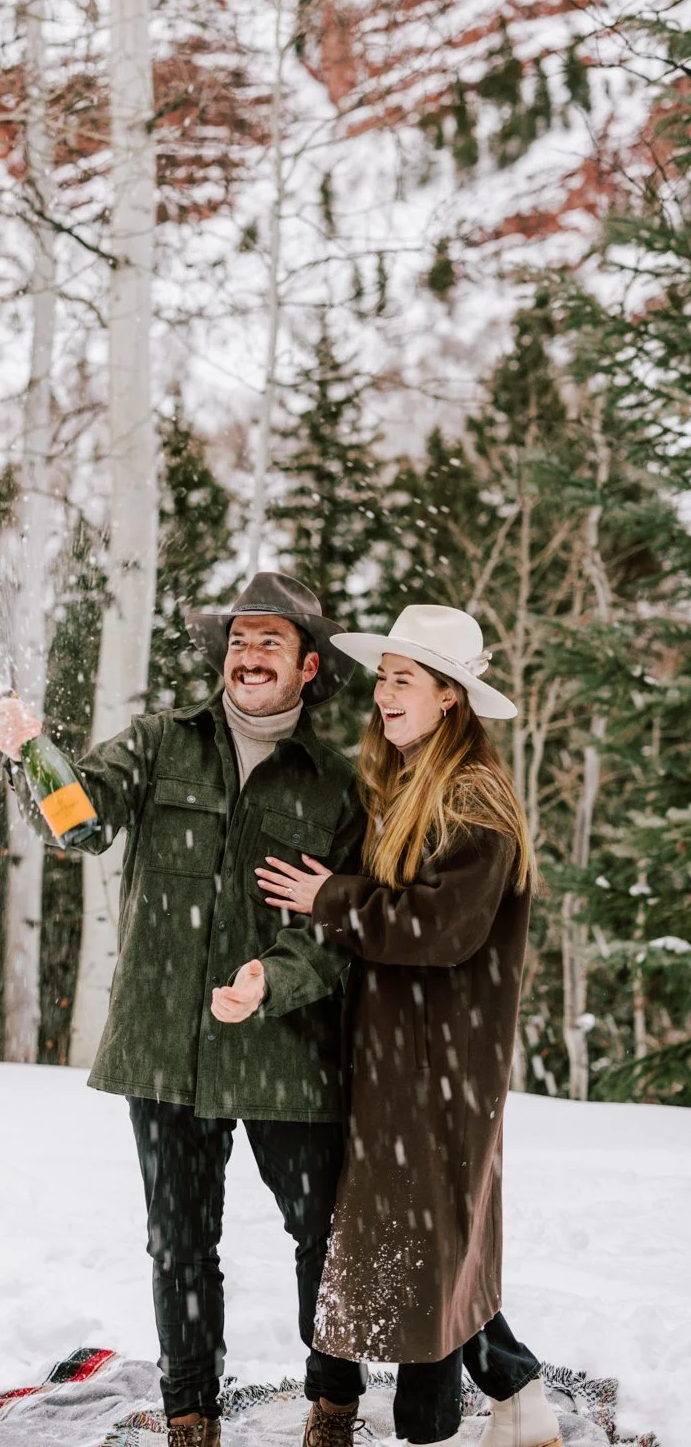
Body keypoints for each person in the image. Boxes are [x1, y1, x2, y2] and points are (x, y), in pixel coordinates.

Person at [0, 574, 370, 1447]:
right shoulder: (162, 744)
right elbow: (80, 823)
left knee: (324, 1236)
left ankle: (333, 1408)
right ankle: (191, 1418)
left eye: (270, 641)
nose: (249, 655)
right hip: (165, 1044)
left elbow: (342, 929)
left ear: (308, 665)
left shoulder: (339, 785)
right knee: (180, 1245)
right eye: (238, 640)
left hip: (287, 1047)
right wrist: (33, 754)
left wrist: (272, 979)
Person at [248, 605, 564, 1447]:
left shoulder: (472, 800)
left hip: (441, 1063)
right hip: (407, 1055)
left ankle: (443, 1422)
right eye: (383, 678)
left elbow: (438, 927)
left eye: (404, 680)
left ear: (449, 696)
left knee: (429, 1240)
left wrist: (331, 898)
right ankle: (510, 1395)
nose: (383, 694)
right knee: (428, 1239)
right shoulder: (414, 781)